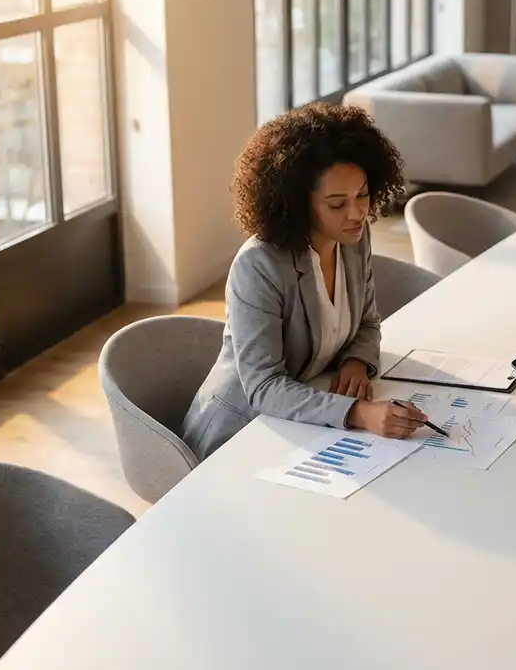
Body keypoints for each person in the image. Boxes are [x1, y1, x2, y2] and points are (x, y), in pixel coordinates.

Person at [181, 103, 427, 461]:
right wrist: (358, 413)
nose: (357, 213)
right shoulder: (259, 266)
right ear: (298, 203)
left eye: (362, 195)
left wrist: (356, 362)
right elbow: (264, 387)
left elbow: (367, 322)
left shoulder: (354, 240)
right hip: (239, 432)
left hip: (303, 423)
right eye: (336, 203)